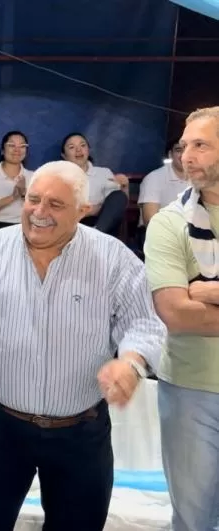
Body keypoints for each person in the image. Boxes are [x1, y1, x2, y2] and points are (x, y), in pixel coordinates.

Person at [0, 160, 165, 531]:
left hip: (80, 430)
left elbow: (143, 324)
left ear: (83, 210)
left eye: (55, 205)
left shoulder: (113, 259)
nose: (39, 213)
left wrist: (131, 361)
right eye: (34, 200)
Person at [144, 106, 219, 531]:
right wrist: (195, 301)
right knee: (194, 522)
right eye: (183, 145)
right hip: (193, 391)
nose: (186, 156)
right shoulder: (170, 223)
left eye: (201, 145)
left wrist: (209, 291)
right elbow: (175, 312)